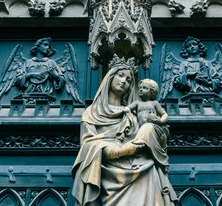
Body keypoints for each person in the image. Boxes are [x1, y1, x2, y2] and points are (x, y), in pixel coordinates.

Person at [72, 56, 177, 206]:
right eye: (120, 76)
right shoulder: (91, 113)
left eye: (128, 80)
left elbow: (145, 139)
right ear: (110, 77)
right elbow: (87, 145)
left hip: (139, 168)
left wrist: (157, 132)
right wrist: (120, 151)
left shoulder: (132, 114)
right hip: (107, 174)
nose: (124, 82)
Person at [124, 79, 170, 170]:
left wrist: (160, 121)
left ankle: (163, 162)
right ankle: (139, 162)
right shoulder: (137, 103)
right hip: (141, 130)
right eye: (140, 88)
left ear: (152, 92)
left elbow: (164, 114)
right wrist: (126, 110)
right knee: (140, 147)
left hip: (154, 128)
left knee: (161, 141)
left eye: (145, 88)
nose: (141, 89)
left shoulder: (154, 103)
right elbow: (127, 108)